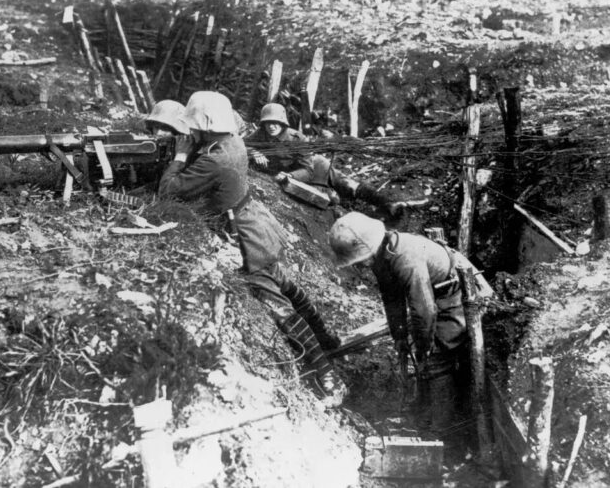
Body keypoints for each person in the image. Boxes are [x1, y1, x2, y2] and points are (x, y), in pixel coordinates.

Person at [159, 91, 347, 405]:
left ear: (204, 126)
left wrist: (179, 158)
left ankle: (329, 377)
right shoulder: (231, 142)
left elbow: (169, 192)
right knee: (283, 279)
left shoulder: (216, 159)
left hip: (244, 235)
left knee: (276, 304)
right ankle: (327, 339)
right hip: (257, 221)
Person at [328, 212, 479, 444]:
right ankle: (423, 412)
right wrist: (399, 335)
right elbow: (391, 297)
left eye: (359, 260)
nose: (360, 266)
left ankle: (442, 433)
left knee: (437, 360)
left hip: (451, 295)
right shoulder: (381, 256)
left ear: (368, 250)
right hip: (430, 295)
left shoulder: (406, 258)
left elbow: (425, 309)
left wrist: (424, 346)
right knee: (422, 357)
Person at [246, 102, 424, 215]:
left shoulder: (297, 139)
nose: (271, 127)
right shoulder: (260, 134)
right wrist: (253, 152)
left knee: (349, 185)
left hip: (316, 168)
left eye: (275, 123)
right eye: (268, 123)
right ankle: (338, 200)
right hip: (296, 178)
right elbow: (240, 144)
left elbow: (307, 170)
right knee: (331, 200)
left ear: (283, 123)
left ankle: (386, 203)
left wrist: (290, 176)